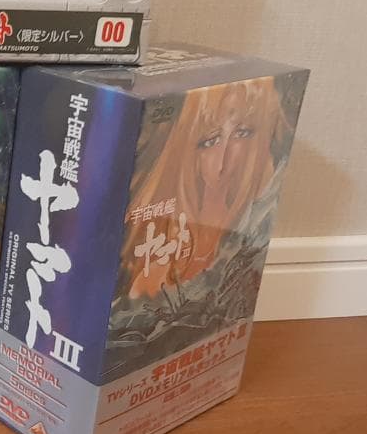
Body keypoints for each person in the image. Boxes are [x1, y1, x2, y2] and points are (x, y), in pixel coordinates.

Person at [120, 77, 288, 300]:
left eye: (242, 133)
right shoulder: (165, 232)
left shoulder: (259, 212)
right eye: (210, 141)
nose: (223, 161)